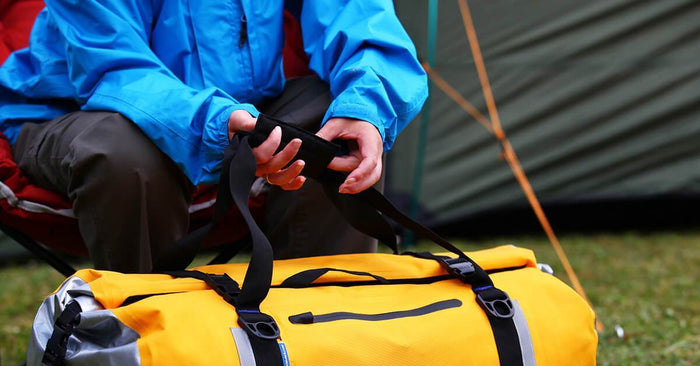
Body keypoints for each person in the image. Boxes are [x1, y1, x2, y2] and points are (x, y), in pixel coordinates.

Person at [0, 0, 428, 272]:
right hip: (79, 112)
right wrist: (220, 122)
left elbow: (359, 16)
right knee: (127, 152)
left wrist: (366, 107)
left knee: (334, 125)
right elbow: (114, 70)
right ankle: (146, 343)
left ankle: (325, 333)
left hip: (243, 113)